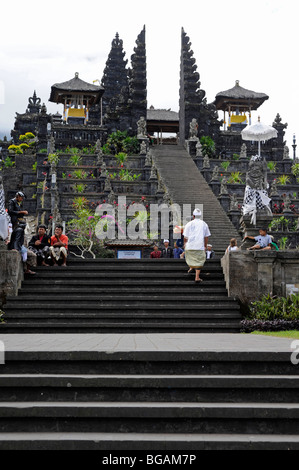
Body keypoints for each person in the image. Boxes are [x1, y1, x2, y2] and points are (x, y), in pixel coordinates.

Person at [183, 208, 211, 283]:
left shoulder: (189, 224)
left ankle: (191, 267)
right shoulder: (204, 224)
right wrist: (205, 246)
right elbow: (206, 237)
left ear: (193, 216)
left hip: (190, 246)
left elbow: (185, 237)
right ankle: (197, 277)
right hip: (199, 246)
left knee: (191, 257)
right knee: (199, 261)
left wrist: (185, 244)